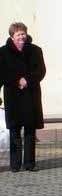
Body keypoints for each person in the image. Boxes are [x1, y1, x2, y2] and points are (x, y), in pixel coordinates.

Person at [0, 23, 45, 172]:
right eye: (18, 34)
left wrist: (27, 79)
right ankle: (15, 164)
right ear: (12, 36)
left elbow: (41, 71)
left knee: (30, 131)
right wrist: (16, 80)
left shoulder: (35, 51)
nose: (22, 37)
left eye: (23, 33)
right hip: (13, 96)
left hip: (30, 96)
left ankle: (29, 164)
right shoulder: (3, 52)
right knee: (14, 130)